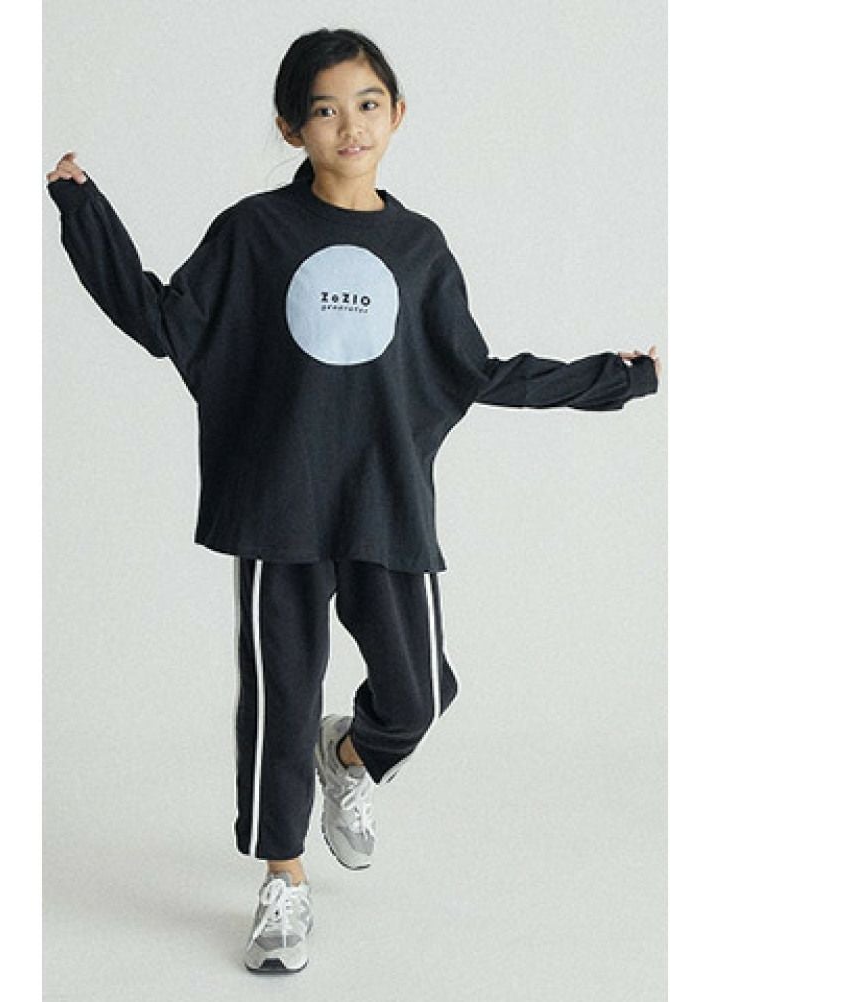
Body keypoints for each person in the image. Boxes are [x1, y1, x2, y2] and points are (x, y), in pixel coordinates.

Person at [45, 26, 661, 975]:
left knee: (417, 695)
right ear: (291, 128)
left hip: (383, 502)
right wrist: (82, 206)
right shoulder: (255, 233)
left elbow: (474, 370)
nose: (350, 126)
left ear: (398, 113)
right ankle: (282, 881)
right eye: (325, 109)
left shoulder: (419, 249)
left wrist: (611, 377)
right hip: (279, 505)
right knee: (280, 700)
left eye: (368, 104)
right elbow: (163, 318)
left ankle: (351, 758)